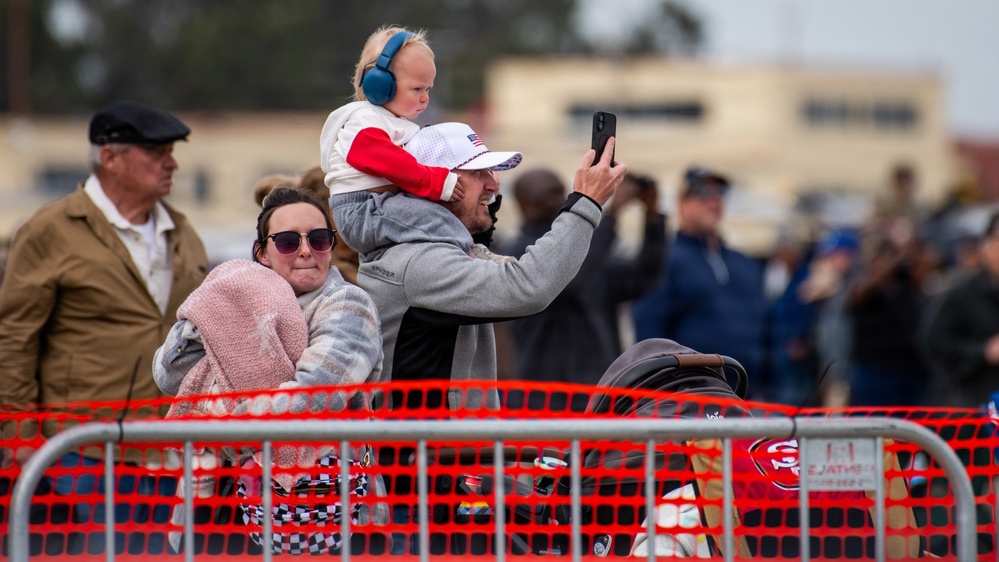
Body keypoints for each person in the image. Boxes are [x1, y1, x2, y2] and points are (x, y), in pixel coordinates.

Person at [0, 100, 208, 553]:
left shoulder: (182, 231)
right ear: (110, 157)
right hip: (83, 454)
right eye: (156, 152)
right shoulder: (50, 230)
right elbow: (14, 338)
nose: (171, 163)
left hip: (169, 452)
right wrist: (19, 435)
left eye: (171, 152)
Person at [153, 186, 385, 554]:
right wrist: (209, 310)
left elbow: (313, 396)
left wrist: (219, 428)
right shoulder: (231, 303)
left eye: (319, 239)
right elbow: (169, 376)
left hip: (319, 515)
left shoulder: (348, 305)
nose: (306, 250)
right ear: (262, 253)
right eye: (289, 242)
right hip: (222, 511)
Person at [357, 121, 626, 408]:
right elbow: (529, 285)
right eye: (477, 173)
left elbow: (533, 273)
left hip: (443, 438)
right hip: (422, 439)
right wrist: (586, 202)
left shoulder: (439, 251)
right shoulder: (419, 261)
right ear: (435, 184)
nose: (494, 184)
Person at [497, 169, 666, 390]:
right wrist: (612, 213)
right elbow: (571, 278)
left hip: (600, 387)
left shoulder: (586, 251)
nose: (561, 199)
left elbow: (642, 278)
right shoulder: (517, 255)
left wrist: (652, 216)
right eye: (551, 193)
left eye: (561, 192)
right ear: (525, 202)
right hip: (543, 393)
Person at [320, 25, 478, 261]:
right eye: (417, 89)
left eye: (428, 89)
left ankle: (466, 250)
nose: (425, 98)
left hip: (378, 206)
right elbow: (390, 161)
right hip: (362, 211)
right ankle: (467, 257)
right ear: (380, 84)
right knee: (432, 217)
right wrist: (435, 181)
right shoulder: (364, 121)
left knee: (434, 213)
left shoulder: (389, 121)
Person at [631, 166, 768, 397]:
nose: (713, 202)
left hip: (748, 395)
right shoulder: (664, 260)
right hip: (690, 396)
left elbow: (766, 329)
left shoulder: (745, 263)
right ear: (682, 204)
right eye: (702, 193)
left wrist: (769, 388)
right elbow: (649, 335)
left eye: (720, 193)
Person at [920, 212, 999, 408]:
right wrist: (984, 351)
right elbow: (934, 343)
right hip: (977, 403)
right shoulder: (962, 294)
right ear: (986, 247)